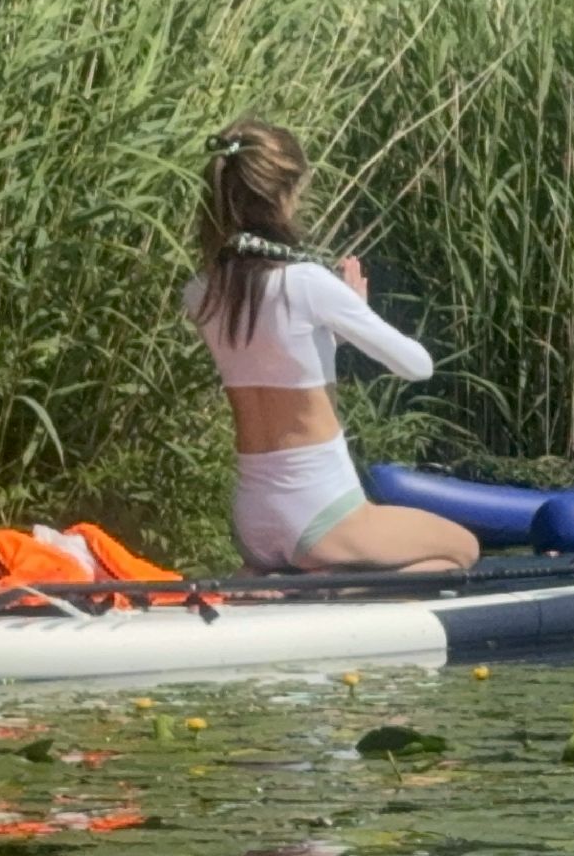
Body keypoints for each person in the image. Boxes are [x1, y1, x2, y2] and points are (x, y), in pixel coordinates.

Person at [184, 120, 478, 573]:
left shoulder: (201, 292)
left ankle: (274, 578)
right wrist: (354, 311)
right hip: (320, 513)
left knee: (318, 550)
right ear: (287, 193)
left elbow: (277, 359)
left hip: (253, 520)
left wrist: (333, 332)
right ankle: (335, 586)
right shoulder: (308, 283)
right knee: (461, 550)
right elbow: (417, 365)